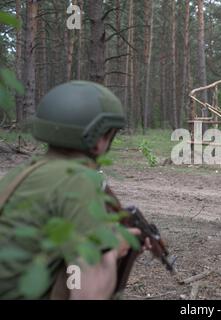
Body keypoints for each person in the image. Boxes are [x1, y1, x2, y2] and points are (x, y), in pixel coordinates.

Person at [0, 81, 150, 299]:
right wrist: (114, 250)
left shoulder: (24, 171)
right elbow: (88, 294)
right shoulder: (78, 182)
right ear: (99, 139)